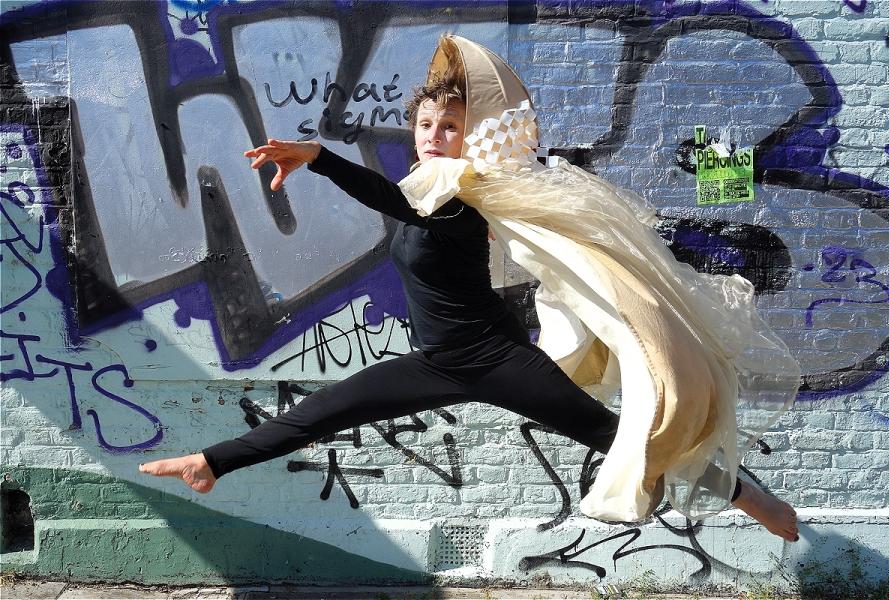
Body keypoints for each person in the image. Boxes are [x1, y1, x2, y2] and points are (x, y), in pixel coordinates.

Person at [140, 36, 799, 542]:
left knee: (607, 432)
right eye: (426, 127)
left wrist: (318, 158)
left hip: (495, 359)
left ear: (470, 136)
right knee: (326, 411)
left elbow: (389, 200)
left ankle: (749, 495)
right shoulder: (429, 189)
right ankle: (210, 463)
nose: (434, 138)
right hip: (441, 361)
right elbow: (398, 200)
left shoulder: (457, 198)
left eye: (449, 128)